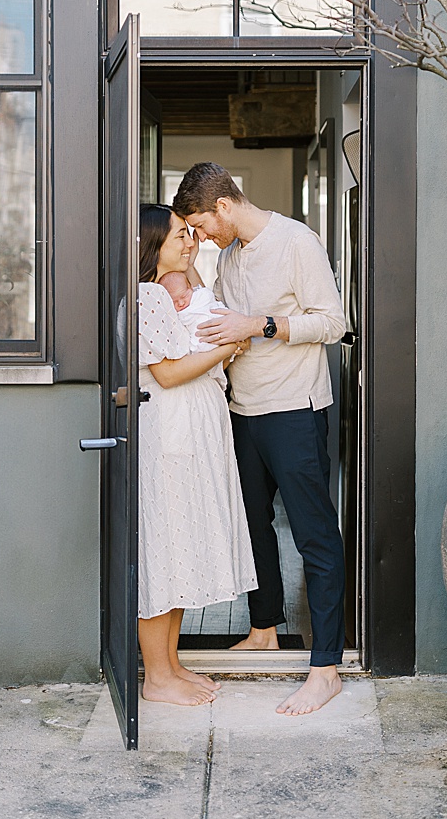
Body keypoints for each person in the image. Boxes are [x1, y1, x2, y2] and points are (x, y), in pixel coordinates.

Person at [173, 163, 349, 717]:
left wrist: (260, 326)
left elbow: (334, 323)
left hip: (294, 411)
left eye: (200, 225)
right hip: (241, 413)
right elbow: (228, 319)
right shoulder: (226, 257)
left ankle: (325, 667)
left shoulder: (297, 241)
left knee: (313, 536)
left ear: (223, 206)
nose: (199, 238)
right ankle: (264, 630)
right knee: (252, 531)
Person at [133, 204, 258, 707]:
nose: (190, 243)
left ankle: (172, 664)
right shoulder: (146, 298)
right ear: (151, 247)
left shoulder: (172, 294)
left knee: (179, 550)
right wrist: (231, 345)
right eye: (179, 237)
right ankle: (156, 677)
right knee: (163, 555)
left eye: (191, 234)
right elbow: (167, 372)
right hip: (170, 437)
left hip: (190, 430)